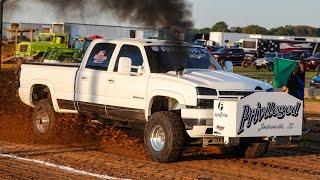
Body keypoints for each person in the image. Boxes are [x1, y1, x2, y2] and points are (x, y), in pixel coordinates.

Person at [282, 62, 310, 134]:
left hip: (299, 96)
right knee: (291, 112)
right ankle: (291, 127)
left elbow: (303, 69)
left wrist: (300, 62)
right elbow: (286, 86)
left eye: (297, 68)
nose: (296, 69)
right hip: (291, 97)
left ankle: (306, 127)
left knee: (301, 112)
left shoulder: (300, 75)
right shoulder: (290, 76)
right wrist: (284, 87)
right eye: (295, 68)